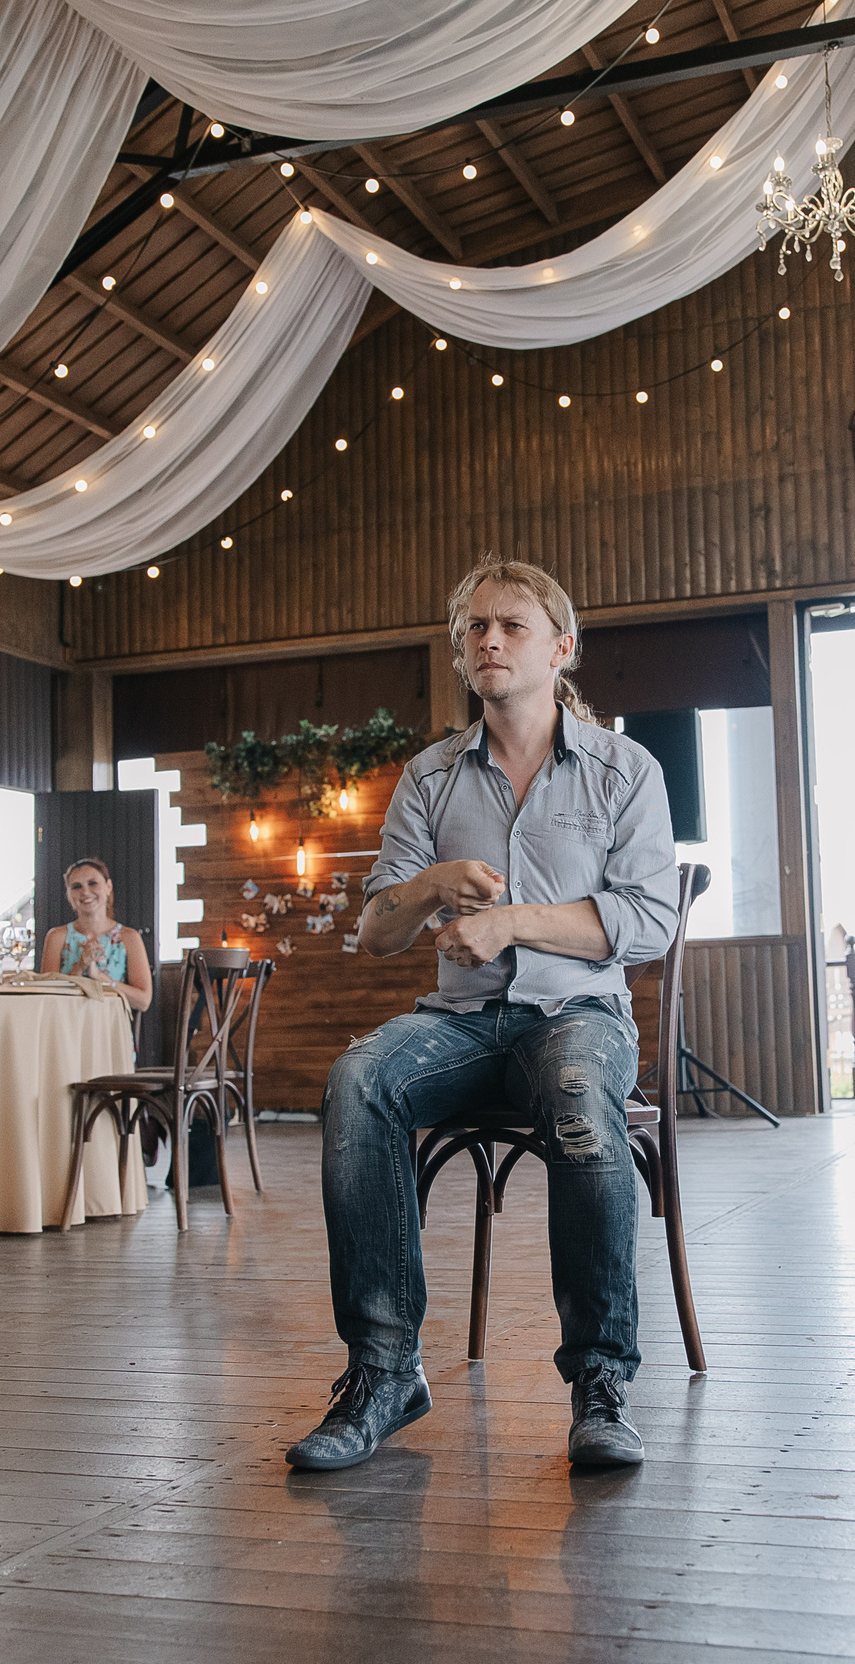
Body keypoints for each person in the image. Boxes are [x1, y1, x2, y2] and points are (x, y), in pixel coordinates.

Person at [286, 556, 679, 1475]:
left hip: (579, 1014)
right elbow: (378, 935)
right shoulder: (429, 779)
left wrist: (511, 922)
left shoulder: (626, 771)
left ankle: (600, 1383)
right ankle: (384, 1372)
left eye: (510, 625)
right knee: (359, 1078)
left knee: (582, 1104)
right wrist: (425, 887)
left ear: (562, 647)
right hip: (461, 1024)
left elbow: (650, 921)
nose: (489, 639)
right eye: (474, 628)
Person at [39, 859, 152, 1011]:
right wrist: (79, 967)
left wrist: (98, 976)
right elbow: (47, 997)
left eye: (92, 883)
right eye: (76, 886)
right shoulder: (56, 937)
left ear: (108, 887)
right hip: (67, 1027)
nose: (85, 892)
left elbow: (143, 1002)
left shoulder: (129, 937)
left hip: (111, 1028)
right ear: (68, 895)